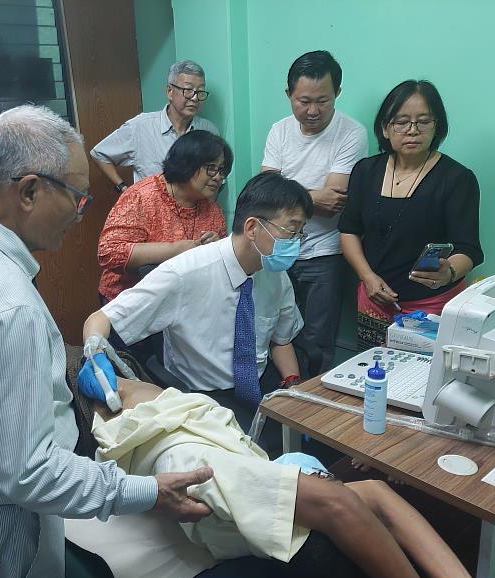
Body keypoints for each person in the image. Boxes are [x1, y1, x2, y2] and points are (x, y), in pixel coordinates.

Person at [0, 105, 214, 578]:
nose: (81, 216)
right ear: (30, 190)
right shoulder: (6, 304)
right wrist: (149, 492)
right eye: (79, 198)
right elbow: (27, 472)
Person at [88, 376, 490, 578]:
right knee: (365, 495)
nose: (136, 380)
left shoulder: (161, 425)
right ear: (113, 407)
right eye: (126, 381)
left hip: (306, 538)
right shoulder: (182, 456)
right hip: (316, 559)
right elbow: (337, 505)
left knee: (374, 490)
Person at [81, 172, 308, 437]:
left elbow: (281, 340)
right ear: (252, 228)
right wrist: (95, 354)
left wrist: (293, 385)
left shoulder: (274, 272)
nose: (296, 243)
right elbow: (100, 319)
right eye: (290, 231)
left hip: (260, 385)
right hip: (203, 397)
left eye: (300, 233)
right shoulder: (185, 272)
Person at [338, 80, 483, 349]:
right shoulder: (366, 171)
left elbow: (469, 248)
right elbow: (349, 230)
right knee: (372, 376)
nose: (412, 131)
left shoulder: (456, 179)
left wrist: (448, 272)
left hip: (432, 305)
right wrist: (367, 277)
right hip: (374, 302)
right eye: (402, 122)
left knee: (422, 383)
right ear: (385, 127)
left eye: (423, 122)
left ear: (436, 126)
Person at [261, 50, 368, 378]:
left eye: (322, 100)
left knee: (318, 340)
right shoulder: (279, 130)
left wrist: (285, 190)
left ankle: (311, 412)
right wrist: (310, 194)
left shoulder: (351, 133)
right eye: (303, 100)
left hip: (324, 255)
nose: (312, 110)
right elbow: (265, 193)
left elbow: (332, 200)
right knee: (273, 333)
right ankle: (280, 400)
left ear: (337, 93)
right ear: (289, 95)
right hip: (277, 252)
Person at [98, 130, 231, 303]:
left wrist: (216, 247)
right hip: (128, 300)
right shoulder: (142, 196)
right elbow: (109, 252)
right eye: (211, 168)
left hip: (178, 302)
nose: (219, 177)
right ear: (187, 163)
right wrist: (175, 250)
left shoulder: (211, 209)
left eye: (222, 170)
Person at [90, 60, 219, 192]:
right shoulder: (141, 127)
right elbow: (99, 154)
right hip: (151, 210)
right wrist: (123, 188)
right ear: (169, 91)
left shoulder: (208, 131)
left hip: (195, 210)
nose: (195, 98)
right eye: (188, 90)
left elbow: (216, 173)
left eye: (200, 92)